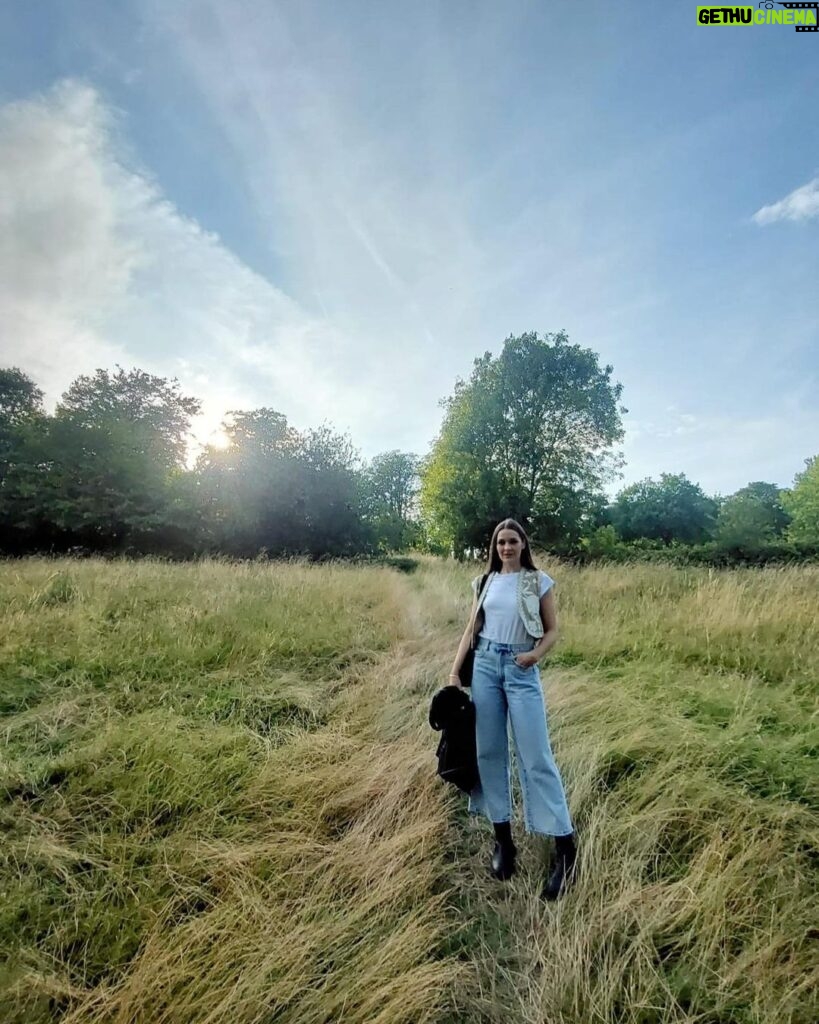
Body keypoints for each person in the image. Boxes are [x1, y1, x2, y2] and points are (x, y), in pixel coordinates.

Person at [449, 518, 578, 901]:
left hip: (521, 669)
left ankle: (565, 849)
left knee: (536, 756)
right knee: (489, 752)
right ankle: (503, 841)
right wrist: (455, 671)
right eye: (501, 542)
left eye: (513, 541)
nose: (506, 547)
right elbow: (471, 630)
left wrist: (534, 655)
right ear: (494, 546)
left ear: (523, 544)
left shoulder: (538, 581)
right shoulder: (484, 582)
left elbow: (552, 630)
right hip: (486, 666)